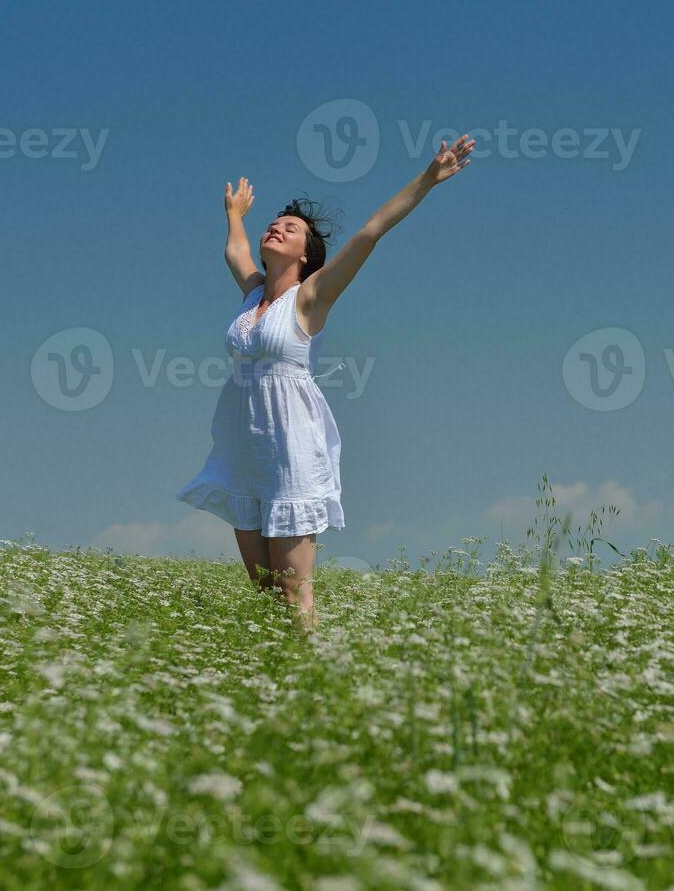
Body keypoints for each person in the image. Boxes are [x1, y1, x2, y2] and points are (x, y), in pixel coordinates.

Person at [177, 135, 477, 630]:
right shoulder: (252, 295)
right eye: (273, 225)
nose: (276, 228)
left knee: (294, 590)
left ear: (304, 254)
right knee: (263, 591)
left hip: (291, 448)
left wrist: (427, 179)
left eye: (289, 229)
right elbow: (234, 250)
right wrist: (236, 212)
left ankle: (313, 680)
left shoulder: (312, 295)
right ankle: (277, 678)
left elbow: (370, 231)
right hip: (243, 449)